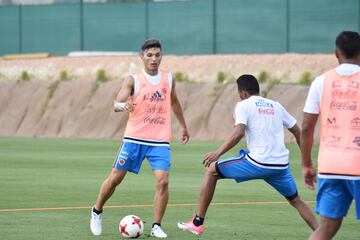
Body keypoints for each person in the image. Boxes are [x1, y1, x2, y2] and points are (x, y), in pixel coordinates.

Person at [177, 74, 318, 235]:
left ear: (242, 93)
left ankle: (197, 222)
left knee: (211, 171)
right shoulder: (276, 105)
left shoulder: (243, 105)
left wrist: (218, 153)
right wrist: (306, 160)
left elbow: (238, 133)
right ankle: (322, 234)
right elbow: (297, 130)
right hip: (280, 166)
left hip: (257, 163)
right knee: (296, 200)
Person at [90, 39, 189, 238]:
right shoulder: (132, 80)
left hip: (159, 141)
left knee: (163, 182)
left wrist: (184, 126)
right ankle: (97, 211)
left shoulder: (168, 79)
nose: (154, 59)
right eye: (150, 55)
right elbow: (117, 103)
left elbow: (175, 102)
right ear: (142, 57)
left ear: (162, 56)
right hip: (134, 139)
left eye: (157, 55)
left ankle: (156, 226)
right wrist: (123, 106)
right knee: (115, 179)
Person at [301, 31, 360, 239]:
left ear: (336, 53)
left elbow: (306, 127)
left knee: (327, 227)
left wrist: (306, 163)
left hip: (330, 166)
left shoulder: (321, 82)